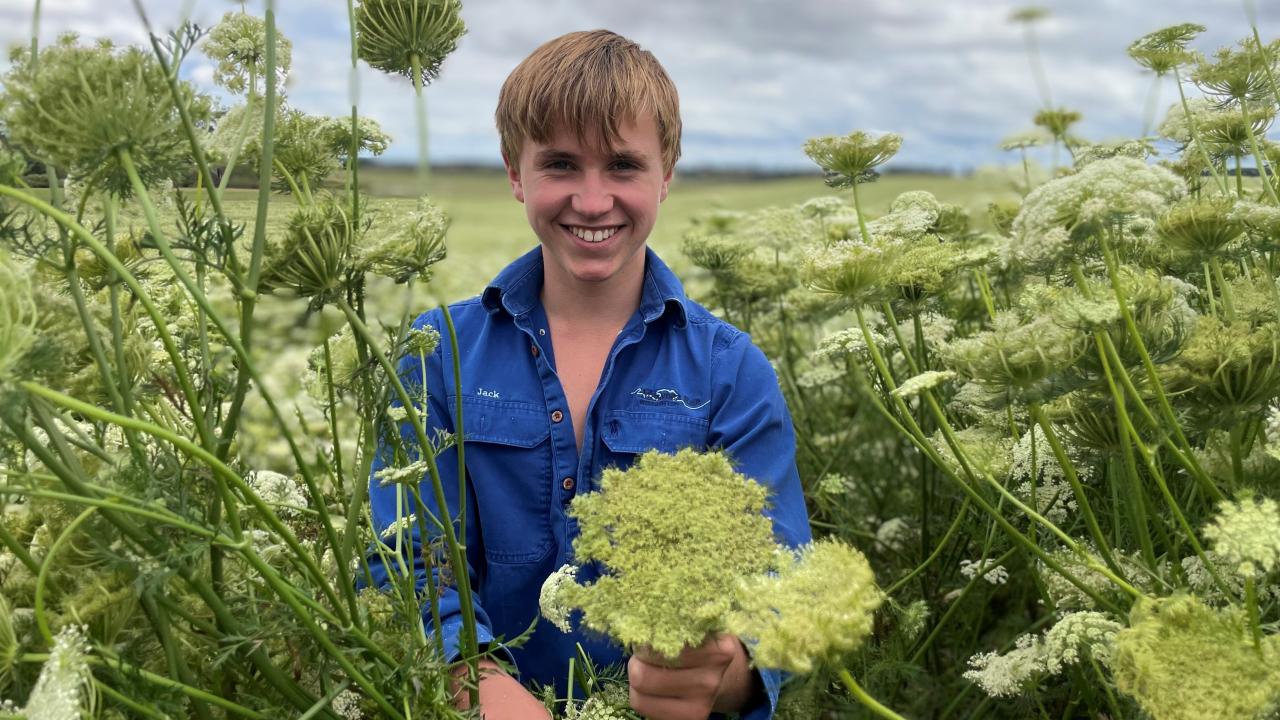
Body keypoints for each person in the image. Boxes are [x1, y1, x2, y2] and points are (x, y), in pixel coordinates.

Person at [366, 29, 811, 720]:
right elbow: (409, 565)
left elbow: (781, 582)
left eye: (625, 166)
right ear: (517, 174)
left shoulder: (731, 371)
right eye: (562, 165)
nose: (594, 200)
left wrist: (720, 673)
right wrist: (474, 681)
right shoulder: (439, 352)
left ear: (668, 174)